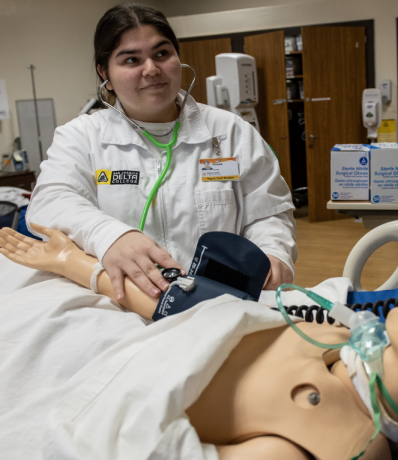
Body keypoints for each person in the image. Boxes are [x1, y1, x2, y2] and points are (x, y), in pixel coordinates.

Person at [0, 225, 398, 460]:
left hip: (100, 365)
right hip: (150, 308)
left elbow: (150, 437)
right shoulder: (349, 334)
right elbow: (225, 314)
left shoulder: (314, 449)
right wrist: (84, 265)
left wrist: (83, 270)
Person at [27, 3, 296, 302]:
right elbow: (50, 202)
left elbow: (268, 212)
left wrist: (274, 252)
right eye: (131, 59)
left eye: (161, 54)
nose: (151, 69)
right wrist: (110, 236)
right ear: (105, 72)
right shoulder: (81, 137)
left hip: (220, 299)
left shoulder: (230, 131)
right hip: (122, 304)